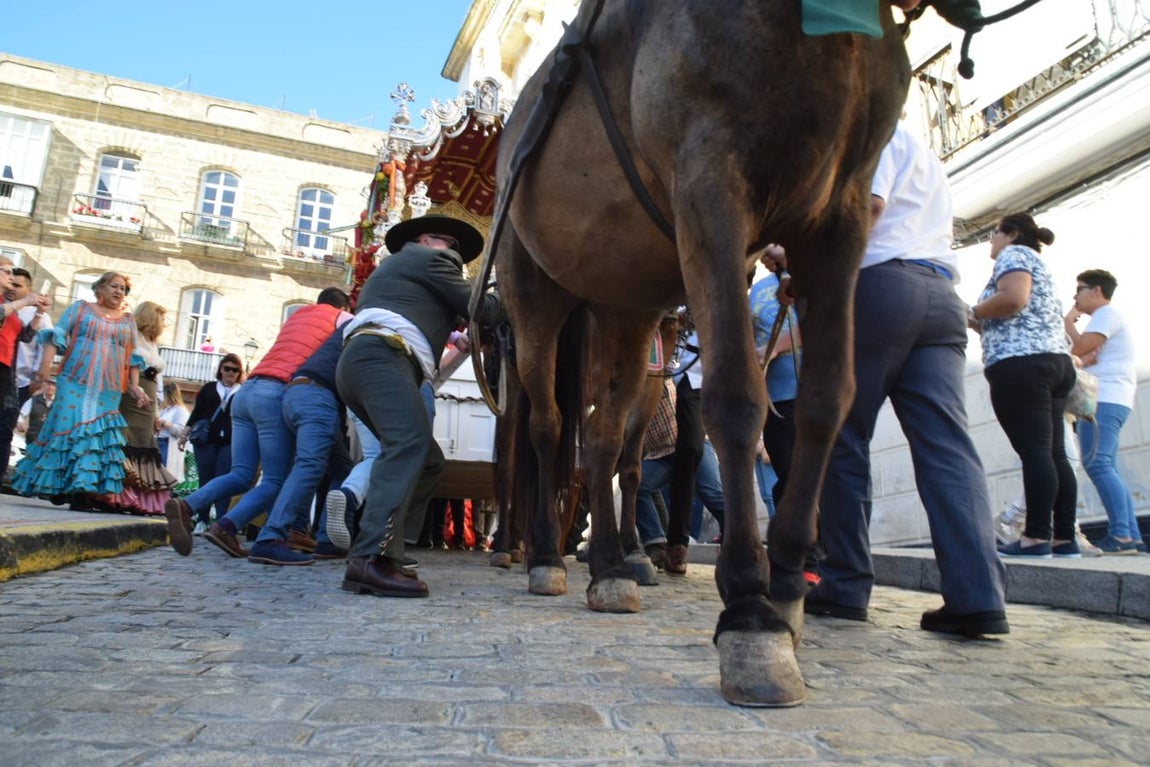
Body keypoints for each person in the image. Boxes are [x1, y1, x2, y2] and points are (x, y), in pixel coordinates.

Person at [805, 121, 1009, 637]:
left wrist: (806, 268)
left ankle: (846, 584)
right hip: (942, 295)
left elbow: (866, 211)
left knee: (841, 435)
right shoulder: (922, 149)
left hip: (879, 286)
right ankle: (977, 596)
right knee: (948, 447)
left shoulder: (867, 135)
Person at [332, 214, 503, 598]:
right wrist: (512, 294)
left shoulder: (403, 270)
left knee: (427, 458)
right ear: (425, 240)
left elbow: (458, 312)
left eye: (457, 250)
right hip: (384, 357)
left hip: (370, 361)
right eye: (449, 244)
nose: (455, 254)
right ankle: (370, 558)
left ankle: (388, 553)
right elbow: (485, 309)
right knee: (408, 445)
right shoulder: (429, 260)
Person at [166, 288, 352, 559]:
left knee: (241, 474)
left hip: (247, 390)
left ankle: (188, 506)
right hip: (278, 392)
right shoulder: (342, 318)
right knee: (276, 478)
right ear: (344, 305)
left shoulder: (298, 315)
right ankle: (233, 529)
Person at [969, 212, 1077, 559]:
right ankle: (1063, 538)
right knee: (1054, 452)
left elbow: (1014, 299)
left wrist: (974, 309)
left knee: (1036, 452)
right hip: (1053, 361)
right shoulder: (1035, 262)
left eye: (994, 233)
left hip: (1022, 364)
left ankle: (1035, 537)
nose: (991, 240)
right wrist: (980, 318)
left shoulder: (1013, 255)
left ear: (1011, 234)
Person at [11, 271, 147, 510]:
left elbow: (132, 355)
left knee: (94, 436)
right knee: (68, 429)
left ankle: (80, 491)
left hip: (108, 388)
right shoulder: (80, 308)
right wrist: (44, 370)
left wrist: (135, 386)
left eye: (123, 289)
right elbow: (57, 336)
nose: (119, 292)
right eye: (114, 286)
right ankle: (64, 486)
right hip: (74, 380)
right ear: (99, 288)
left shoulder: (128, 321)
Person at [247, 322, 350, 565]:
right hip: (319, 396)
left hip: (296, 392)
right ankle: (270, 538)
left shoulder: (349, 326)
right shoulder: (372, 324)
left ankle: (323, 540)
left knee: (342, 468)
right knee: (310, 465)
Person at [1064, 269, 1144, 555]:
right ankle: (1130, 535)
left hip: (1105, 399)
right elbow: (1084, 354)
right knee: (1107, 465)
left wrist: (1067, 323)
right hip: (1115, 399)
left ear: (1097, 291)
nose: (1075, 296)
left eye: (1080, 289)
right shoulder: (1107, 318)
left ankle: (1121, 535)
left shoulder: (1106, 315)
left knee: (1097, 464)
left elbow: (1079, 348)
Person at [108, 301, 178, 515]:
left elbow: (158, 378)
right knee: (127, 439)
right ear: (151, 317)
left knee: (145, 442)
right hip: (130, 393)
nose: (164, 324)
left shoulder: (152, 342)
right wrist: (132, 387)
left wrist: (157, 411)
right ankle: (118, 495)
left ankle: (141, 499)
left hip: (148, 396)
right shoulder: (132, 335)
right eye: (162, 319)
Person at [180, 354, 243, 535]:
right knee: (206, 479)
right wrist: (184, 434)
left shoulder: (242, 391)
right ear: (221, 370)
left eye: (235, 370)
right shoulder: (209, 388)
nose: (231, 373)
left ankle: (221, 521)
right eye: (227, 368)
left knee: (224, 480)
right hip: (206, 441)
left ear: (239, 373)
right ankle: (202, 519)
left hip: (230, 441)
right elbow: (197, 412)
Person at [0, 261, 50, 485]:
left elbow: (26, 336)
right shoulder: (9, 307)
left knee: (5, 425)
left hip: (6, 371)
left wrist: (39, 312)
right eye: (6, 272)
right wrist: (25, 301)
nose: (10, 278)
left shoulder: (10, 307)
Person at [156, 380, 189, 484]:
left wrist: (164, 423)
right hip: (157, 443)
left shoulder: (180, 410)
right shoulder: (164, 409)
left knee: (165, 477)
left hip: (168, 445)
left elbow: (180, 431)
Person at [16, 376, 55, 447]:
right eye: (48, 384)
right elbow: (21, 414)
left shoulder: (59, 403)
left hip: (50, 441)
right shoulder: (33, 400)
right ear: (44, 385)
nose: (50, 387)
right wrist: (20, 423)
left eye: (53, 385)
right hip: (32, 438)